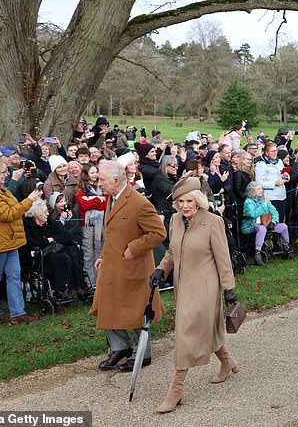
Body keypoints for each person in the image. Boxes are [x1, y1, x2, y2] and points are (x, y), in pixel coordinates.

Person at [152, 176, 238, 414]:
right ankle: (226, 361)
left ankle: (176, 389)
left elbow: (223, 258)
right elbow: (171, 251)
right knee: (205, 328)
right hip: (182, 286)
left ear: (199, 200)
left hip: (205, 287)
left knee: (186, 333)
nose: (184, 206)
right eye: (180, 201)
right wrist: (161, 269)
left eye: (189, 200)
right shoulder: (176, 221)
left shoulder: (212, 222)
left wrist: (229, 288)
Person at [89, 161, 166, 371]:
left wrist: (134, 248)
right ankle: (120, 348)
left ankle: (144, 354)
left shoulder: (139, 203)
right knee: (106, 306)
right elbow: (114, 232)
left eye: (102, 180)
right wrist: (104, 255)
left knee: (135, 311)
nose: (99, 183)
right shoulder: (112, 199)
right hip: (112, 266)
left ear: (116, 180)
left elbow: (159, 233)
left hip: (134, 268)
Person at [0, 159, 43, 324]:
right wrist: (30, 199)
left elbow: (14, 209)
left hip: (10, 240)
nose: (6, 175)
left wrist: (27, 201)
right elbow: (8, 214)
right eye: (3, 173)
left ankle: (18, 312)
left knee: (13, 276)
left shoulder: (2, 190)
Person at [23, 200, 83, 301]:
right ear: (37, 214)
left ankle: (77, 286)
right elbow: (30, 242)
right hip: (39, 257)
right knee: (58, 258)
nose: (47, 213)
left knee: (71, 253)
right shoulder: (28, 225)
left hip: (55, 251)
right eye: (44, 211)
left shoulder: (50, 222)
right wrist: (46, 240)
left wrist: (53, 239)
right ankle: (61, 289)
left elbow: (65, 235)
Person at [242, 181, 292, 265]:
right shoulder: (248, 202)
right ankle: (257, 254)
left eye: (261, 188)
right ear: (252, 191)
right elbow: (253, 214)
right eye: (258, 189)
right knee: (261, 229)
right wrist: (264, 204)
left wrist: (274, 221)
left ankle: (286, 248)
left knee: (283, 226)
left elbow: (274, 211)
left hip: (266, 224)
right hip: (251, 225)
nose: (261, 190)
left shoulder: (265, 200)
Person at [76, 163, 107, 288]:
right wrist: (99, 199)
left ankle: (101, 279)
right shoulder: (81, 189)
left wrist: (94, 200)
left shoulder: (102, 187)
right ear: (86, 174)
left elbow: (106, 202)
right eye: (92, 172)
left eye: (96, 172)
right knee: (88, 252)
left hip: (101, 224)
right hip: (87, 225)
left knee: (99, 250)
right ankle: (90, 282)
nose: (95, 175)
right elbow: (84, 205)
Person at [255, 142, 289, 223]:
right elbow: (259, 182)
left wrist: (286, 176)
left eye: (276, 151)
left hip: (281, 196)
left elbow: (283, 175)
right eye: (272, 151)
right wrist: (275, 183)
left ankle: (277, 235)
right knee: (270, 222)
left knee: (280, 221)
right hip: (270, 197)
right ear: (266, 152)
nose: (275, 153)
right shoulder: (261, 164)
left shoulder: (279, 161)